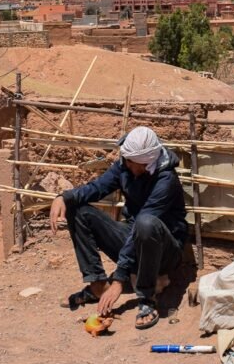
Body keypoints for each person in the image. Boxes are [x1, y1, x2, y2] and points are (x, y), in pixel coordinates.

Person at [48, 126, 187, 329]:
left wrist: (120, 279)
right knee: (77, 210)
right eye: (127, 159)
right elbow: (97, 187)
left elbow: (145, 221)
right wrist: (64, 197)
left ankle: (147, 299)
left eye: (132, 162)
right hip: (133, 238)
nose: (127, 164)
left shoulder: (166, 181)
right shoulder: (126, 165)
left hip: (163, 250)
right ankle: (97, 286)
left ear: (147, 162)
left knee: (145, 223)